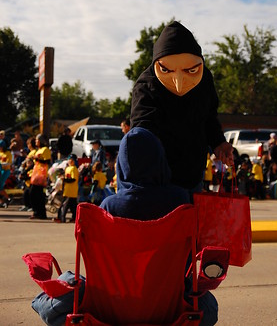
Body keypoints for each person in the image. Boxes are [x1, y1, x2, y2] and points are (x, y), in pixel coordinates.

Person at [101, 127, 218, 325]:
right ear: (159, 159)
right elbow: (190, 256)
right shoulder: (179, 200)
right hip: (171, 305)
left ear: (121, 164)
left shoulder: (109, 207)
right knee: (209, 307)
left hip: (117, 306)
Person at [130, 21, 233, 196]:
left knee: (190, 221)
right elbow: (142, 132)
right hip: (159, 179)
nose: (179, 84)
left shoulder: (205, 79)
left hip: (193, 173)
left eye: (190, 71)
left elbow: (208, 117)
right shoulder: (146, 85)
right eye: (167, 71)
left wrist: (218, 143)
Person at [29, 134, 51, 220]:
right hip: (36, 172)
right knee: (35, 193)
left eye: (37, 140)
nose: (36, 141)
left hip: (41, 174)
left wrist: (37, 159)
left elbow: (47, 161)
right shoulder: (38, 150)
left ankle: (40, 213)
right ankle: (38, 212)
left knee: (36, 193)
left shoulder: (45, 150)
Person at [56, 154, 79, 223]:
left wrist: (65, 179)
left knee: (64, 205)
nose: (70, 161)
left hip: (71, 190)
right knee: (73, 206)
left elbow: (73, 179)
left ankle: (61, 218)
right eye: (69, 159)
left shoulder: (74, 169)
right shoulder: (68, 168)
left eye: (72, 160)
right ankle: (75, 217)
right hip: (67, 190)